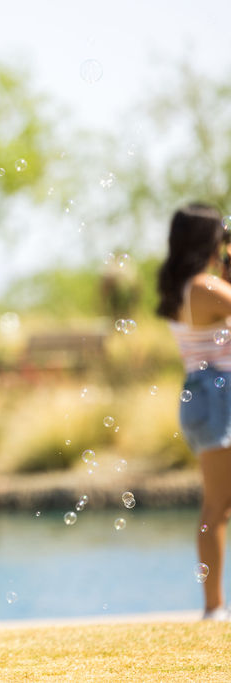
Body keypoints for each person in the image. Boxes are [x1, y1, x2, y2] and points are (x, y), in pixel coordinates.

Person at [157, 202, 231, 620]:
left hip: (202, 394)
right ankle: (213, 607)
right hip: (219, 395)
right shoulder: (205, 288)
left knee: (218, 504)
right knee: (218, 505)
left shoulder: (182, 288)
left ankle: (214, 605)